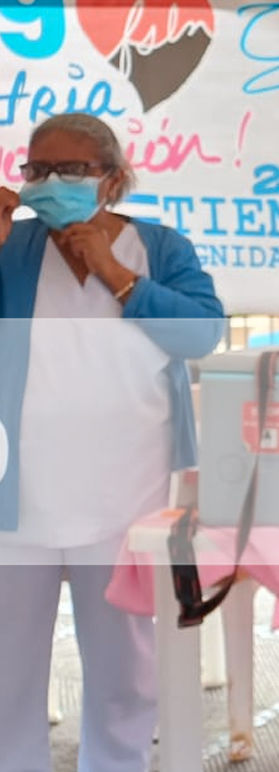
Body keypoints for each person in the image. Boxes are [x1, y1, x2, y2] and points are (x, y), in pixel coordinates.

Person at [0, 113, 224, 772]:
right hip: (19, 504)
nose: (50, 182)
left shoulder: (159, 247)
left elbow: (202, 334)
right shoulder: (12, 248)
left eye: (70, 170)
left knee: (125, 675)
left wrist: (116, 276)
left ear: (114, 178)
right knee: (7, 672)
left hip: (129, 497)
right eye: (37, 170)